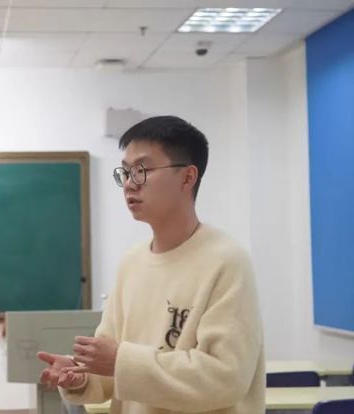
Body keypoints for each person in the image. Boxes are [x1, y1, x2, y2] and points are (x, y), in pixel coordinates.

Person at [37, 116, 264, 414]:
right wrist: (81, 377)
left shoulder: (226, 261)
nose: (129, 184)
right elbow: (112, 368)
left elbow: (225, 378)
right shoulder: (131, 264)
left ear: (187, 177)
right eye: (125, 172)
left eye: (142, 170)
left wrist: (120, 361)